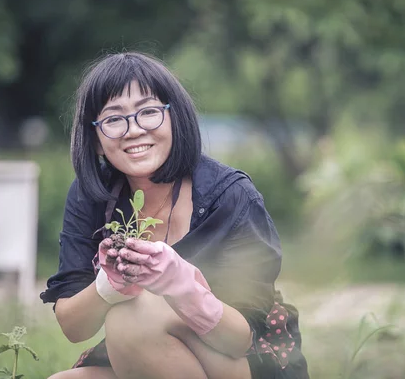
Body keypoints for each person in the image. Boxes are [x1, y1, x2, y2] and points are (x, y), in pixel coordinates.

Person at [40, 52, 310, 379]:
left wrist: (181, 285)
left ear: (174, 118)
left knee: (130, 319)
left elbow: (240, 340)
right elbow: (72, 325)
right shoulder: (89, 196)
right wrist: (110, 286)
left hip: (243, 361)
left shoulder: (231, 196)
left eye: (149, 112)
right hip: (160, 356)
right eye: (113, 119)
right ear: (96, 139)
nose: (134, 130)